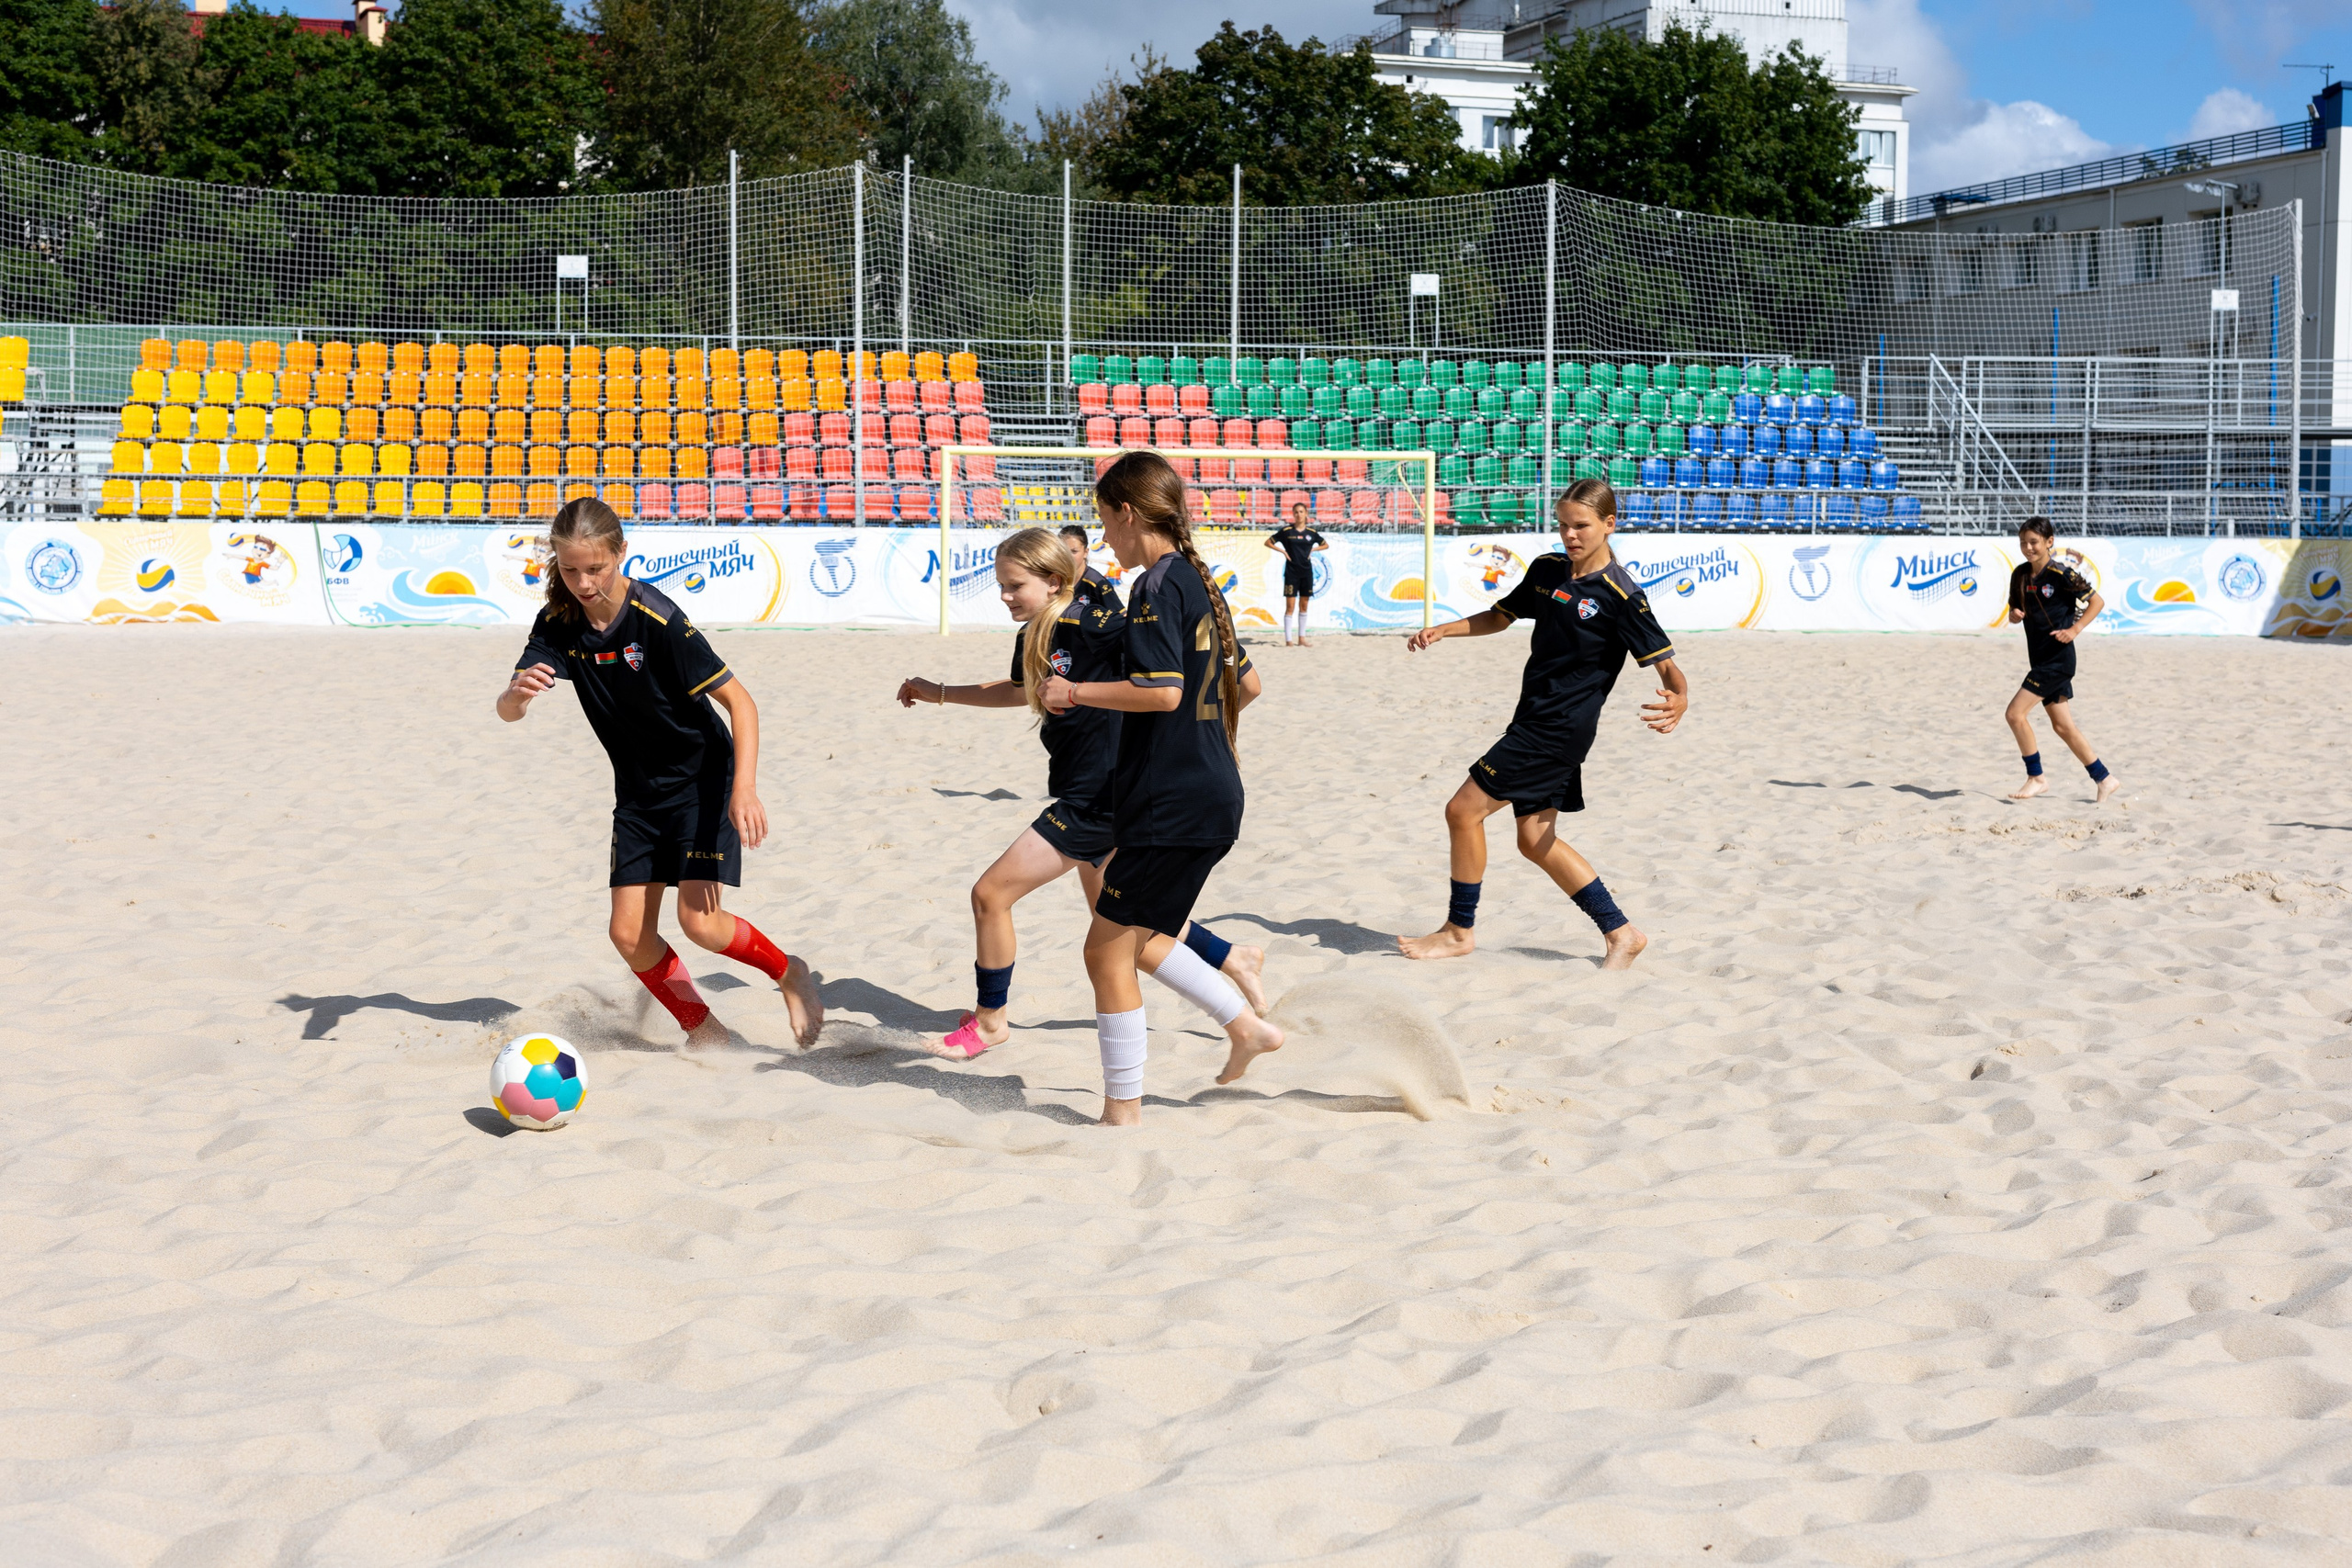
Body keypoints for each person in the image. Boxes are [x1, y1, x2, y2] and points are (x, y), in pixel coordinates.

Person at [896, 527, 1267, 1059]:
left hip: (1101, 798)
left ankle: (990, 1023)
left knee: (990, 895)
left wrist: (1221, 676)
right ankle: (1237, 983)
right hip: (1097, 792)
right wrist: (942, 694)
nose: (1005, 596)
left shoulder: (1095, 624)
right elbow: (1024, 690)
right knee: (1128, 935)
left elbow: (1171, 671)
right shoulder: (1039, 631)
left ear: (1052, 582)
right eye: (1001, 585)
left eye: (1014, 585)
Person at [499, 498, 823, 1048]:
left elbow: (741, 704)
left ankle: (790, 972)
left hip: (704, 783)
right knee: (627, 934)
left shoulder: (658, 619)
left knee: (702, 925)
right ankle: (707, 1031)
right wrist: (516, 695)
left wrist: (744, 789)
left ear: (621, 553)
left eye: (595, 568)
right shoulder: (557, 620)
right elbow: (507, 711)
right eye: (570, 569)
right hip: (639, 792)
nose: (582, 581)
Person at [1041, 451, 1285, 1125]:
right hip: (1212, 791)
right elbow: (1250, 685)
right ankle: (1245, 1026)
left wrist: (1074, 691)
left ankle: (1122, 1113)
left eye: (1105, 523)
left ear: (1126, 512)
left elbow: (1162, 689)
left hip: (1172, 800)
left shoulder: (1154, 585)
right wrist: (1196, 740)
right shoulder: (1202, 583)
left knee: (1106, 950)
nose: (1107, 541)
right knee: (1141, 937)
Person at [1396, 478, 1687, 970]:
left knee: (1462, 810)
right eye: (1563, 525)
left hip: (1558, 728)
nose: (1570, 535)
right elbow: (1501, 616)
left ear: (1609, 524)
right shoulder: (1548, 569)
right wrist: (1447, 628)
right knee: (1535, 840)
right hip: (1534, 714)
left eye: (1581, 526)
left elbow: (1664, 661)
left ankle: (1457, 931)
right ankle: (1623, 934)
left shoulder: (1621, 594)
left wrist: (1680, 695)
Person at [2005, 516, 2118, 803]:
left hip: (2057, 660)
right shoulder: (2019, 575)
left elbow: (2097, 602)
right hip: (2039, 658)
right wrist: (2015, 616)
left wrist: (2075, 629)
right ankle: (2104, 778)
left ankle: (2036, 777)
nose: (2028, 547)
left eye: (2034, 542)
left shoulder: (2062, 574)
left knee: (2015, 714)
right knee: (2063, 727)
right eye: (2023, 542)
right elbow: (2014, 613)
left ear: (2049, 542)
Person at [1263, 503, 1329, 646]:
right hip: (1291, 573)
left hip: (1307, 572)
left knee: (1304, 605)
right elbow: (1268, 542)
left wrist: (1313, 550)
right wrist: (1283, 551)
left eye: (1301, 511)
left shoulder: (1311, 533)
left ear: (1306, 514)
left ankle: (1302, 638)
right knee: (1290, 606)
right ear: (1293, 514)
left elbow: (1325, 544)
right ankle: (1288, 640)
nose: (1299, 514)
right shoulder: (1287, 531)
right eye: (1296, 512)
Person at [1059, 524, 1122, 611]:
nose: (1068, 556)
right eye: (1063, 551)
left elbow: (1121, 618)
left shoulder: (1097, 584)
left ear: (1086, 552)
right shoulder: (1054, 580)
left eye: (1074, 551)